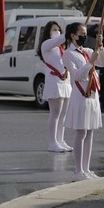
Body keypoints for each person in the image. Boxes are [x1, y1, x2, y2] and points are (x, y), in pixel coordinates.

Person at [63, 22, 104, 181]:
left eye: (85, 33)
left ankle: (86, 169)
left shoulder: (87, 51)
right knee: (80, 132)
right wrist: (90, 62)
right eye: (81, 34)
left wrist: (100, 47)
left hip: (93, 95)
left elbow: (102, 63)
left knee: (90, 132)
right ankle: (78, 170)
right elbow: (77, 75)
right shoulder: (68, 54)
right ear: (73, 35)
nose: (84, 36)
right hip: (80, 96)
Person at [37, 20, 72, 152]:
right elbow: (56, 41)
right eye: (54, 29)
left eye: (58, 29)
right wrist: (68, 33)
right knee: (55, 113)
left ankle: (60, 140)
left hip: (65, 82)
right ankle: (52, 142)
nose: (57, 31)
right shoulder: (46, 45)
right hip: (54, 82)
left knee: (64, 114)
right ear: (48, 32)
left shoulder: (61, 47)